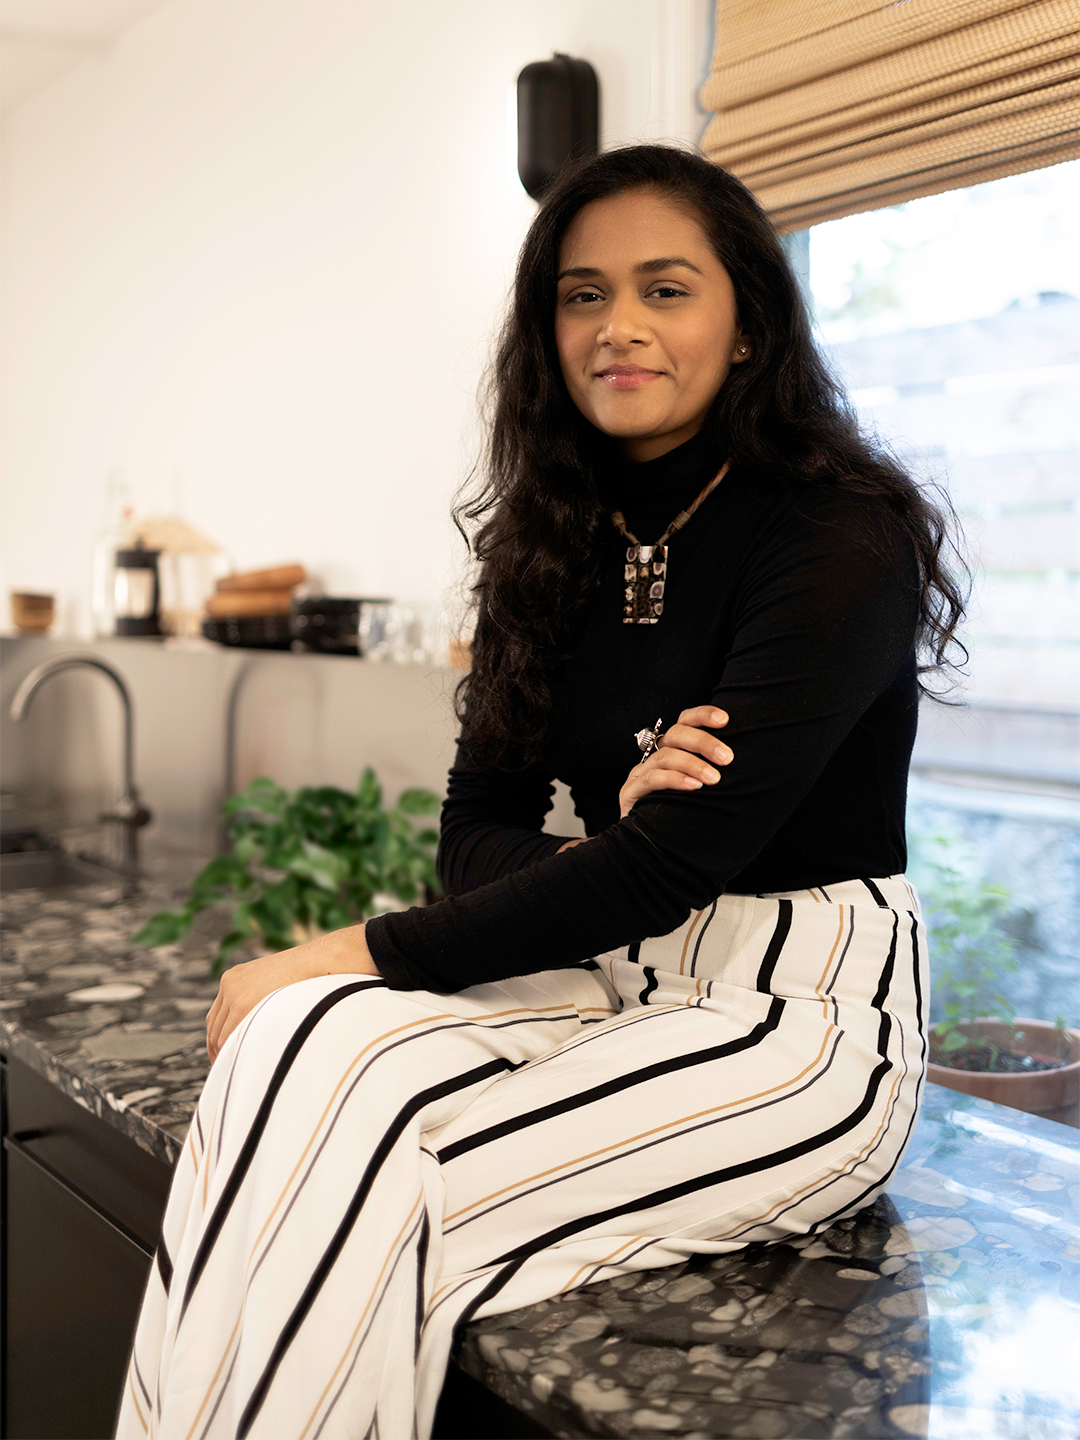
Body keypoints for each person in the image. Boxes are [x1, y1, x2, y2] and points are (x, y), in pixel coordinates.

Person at [118, 145, 964, 1440]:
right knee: (298, 1047)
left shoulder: (834, 531)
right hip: (608, 975)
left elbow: (673, 869)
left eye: (666, 288)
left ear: (745, 323)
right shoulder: (554, 536)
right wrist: (627, 843)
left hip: (801, 1030)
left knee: (346, 1182)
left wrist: (367, 942)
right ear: (547, 329)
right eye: (583, 294)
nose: (619, 324)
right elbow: (476, 838)